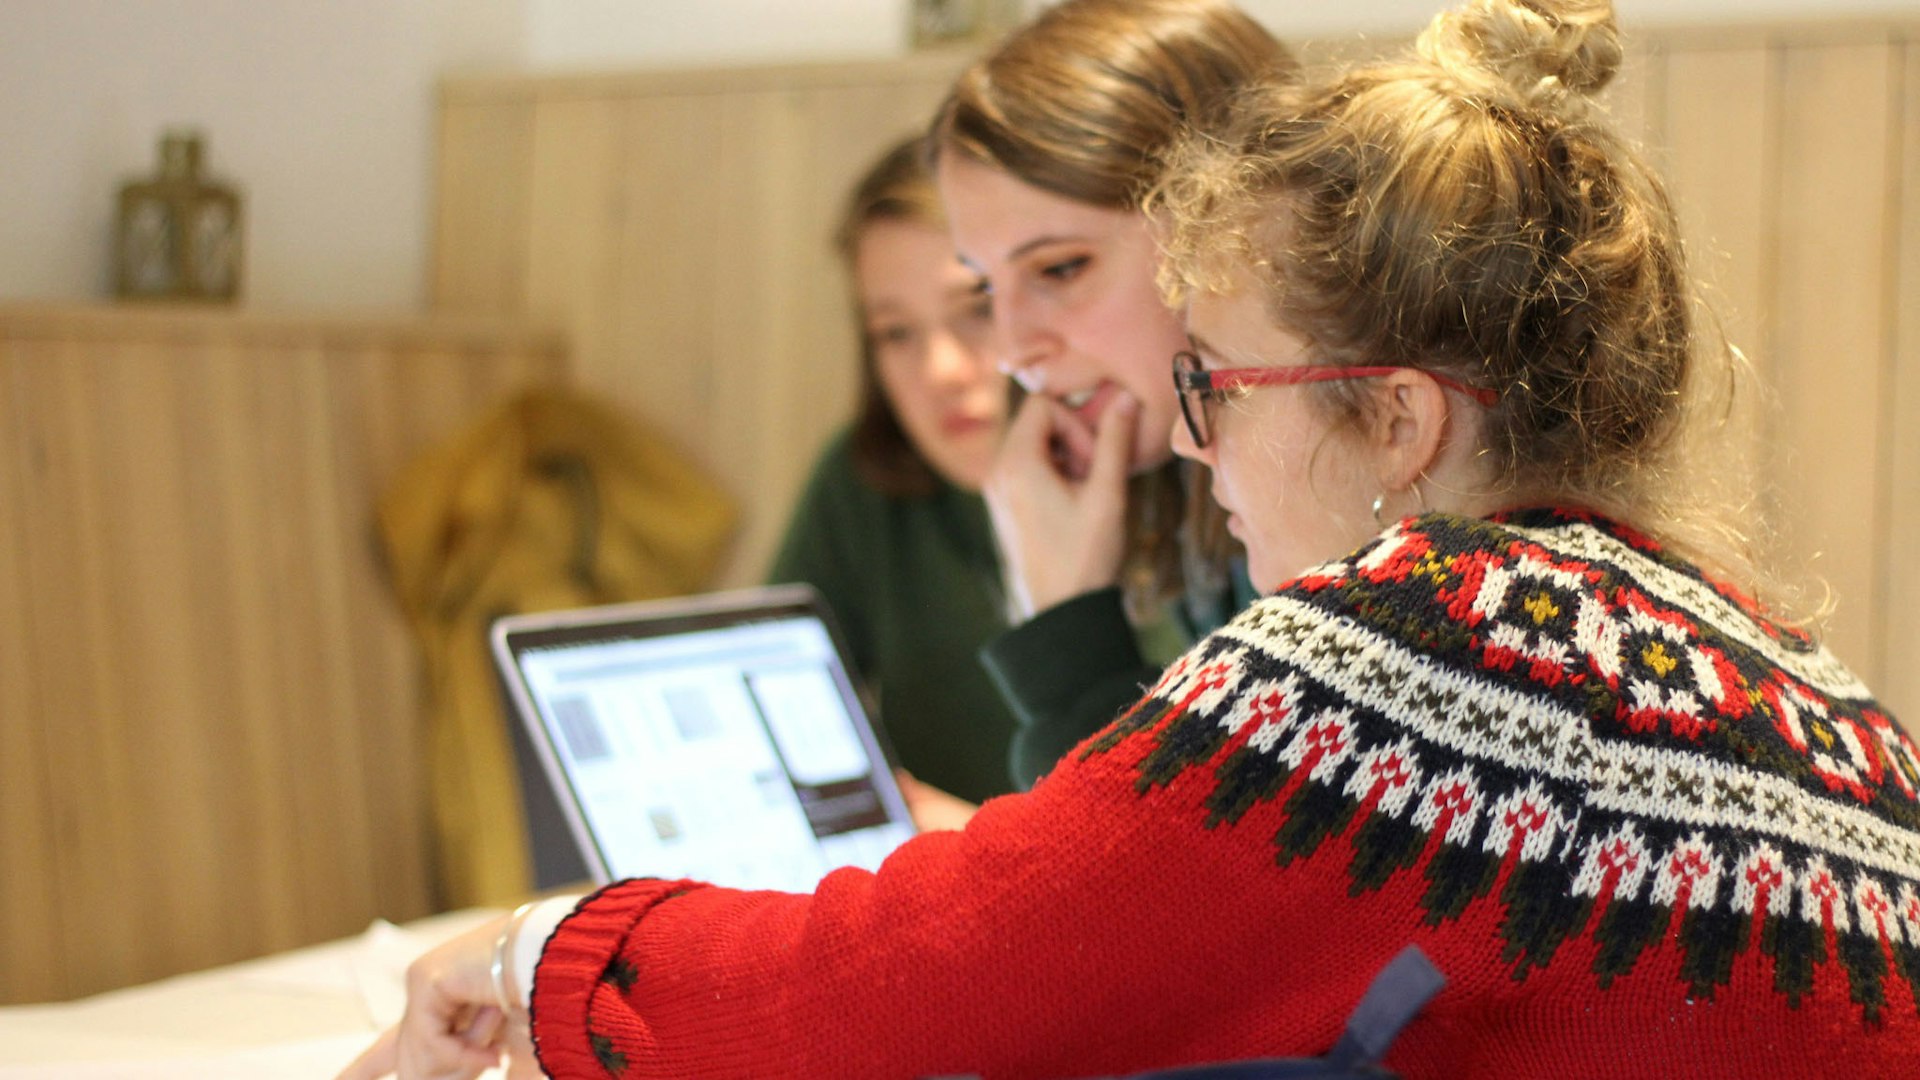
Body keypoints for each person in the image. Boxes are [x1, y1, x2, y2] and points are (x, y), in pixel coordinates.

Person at [342, 0, 1920, 1076]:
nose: (1182, 433)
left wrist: (538, 952)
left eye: (1216, 384)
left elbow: (924, 982)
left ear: (1396, 421)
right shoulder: (1804, 687)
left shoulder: (1411, 657)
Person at [930, 0, 1297, 788]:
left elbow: (1160, 891)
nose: (1012, 349)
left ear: (1227, 228)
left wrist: (1065, 626)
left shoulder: (1334, 508)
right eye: (987, 287)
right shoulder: (1201, 508)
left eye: (1059, 268)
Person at [767, 135, 1015, 820]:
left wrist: (972, 851)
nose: (939, 370)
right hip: (928, 907)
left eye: (977, 310)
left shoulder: (1173, 476)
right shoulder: (864, 479)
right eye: (896, 333)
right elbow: (778, 702)